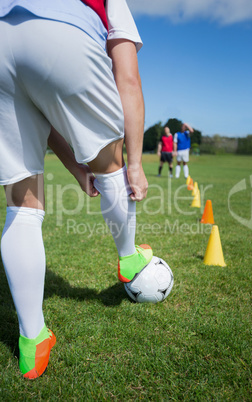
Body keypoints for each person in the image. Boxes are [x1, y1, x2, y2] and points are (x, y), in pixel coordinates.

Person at [0, 0, 152, 379]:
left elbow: (38, 105)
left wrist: (72, 164)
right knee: (110, 164)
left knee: (21, 204)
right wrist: (132, 162)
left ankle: (32, 340)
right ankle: (129, 257)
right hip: (66, 31)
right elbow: (128, 80)